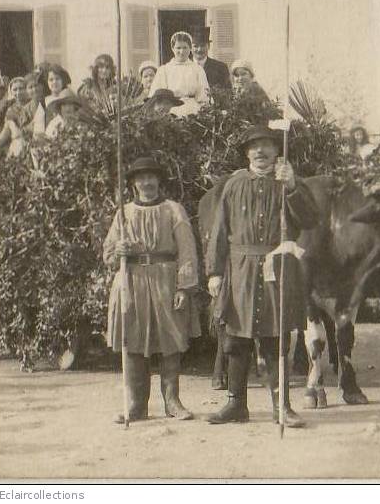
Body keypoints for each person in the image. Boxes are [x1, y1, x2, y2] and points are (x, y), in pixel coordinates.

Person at [205, 122, 319, 426]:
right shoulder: (233, 185)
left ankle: (282, 406)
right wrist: (214, 272)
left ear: (277, 151)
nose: (260, 151)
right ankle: (236, 404)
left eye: (266, 146)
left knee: (275, 338)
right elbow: (219, 230)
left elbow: (310, 220)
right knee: (236, 339)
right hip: (240, 269)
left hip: (276, 269)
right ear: (247, 154)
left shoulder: (288, 183)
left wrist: (292, 187)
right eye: (254, 147)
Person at [103, 156, 200, 423]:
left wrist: (184, 287)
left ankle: (172, 401)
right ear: (133, 184)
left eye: (151, 177)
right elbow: (108, 254)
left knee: (171, 339)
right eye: (140, 178)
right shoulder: (124, 213)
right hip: (131, 281)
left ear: (159, 180)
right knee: (132, 339)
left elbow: (187, 251)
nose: (146, 182)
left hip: (165, 280)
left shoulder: (173, 210)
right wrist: (118, 250)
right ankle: (136, 405)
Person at [149, 31, 210, 117]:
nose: (182, 51)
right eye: (178, 48)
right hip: (170, 110)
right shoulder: (164, 70)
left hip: (192, 110)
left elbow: (204, 96)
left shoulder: (197, 69)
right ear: (172, 48)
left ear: (190, 48)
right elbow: (156, 96)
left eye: (185, 48)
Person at [0, 76, 35, 157]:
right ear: (11, 92)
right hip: (16, 145)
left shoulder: (33, 105)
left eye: (21, 88)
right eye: (15, 89)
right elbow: (5, 132)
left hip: (32, 143)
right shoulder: (11, 110)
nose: (18, 92)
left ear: (27, 89)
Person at [32, 64, 73, 136]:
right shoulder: (43, 103)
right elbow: (38, 129)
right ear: (47, 82)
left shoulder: (70, 98)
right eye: (51, 80)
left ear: (63, 80)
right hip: (49, 138)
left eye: (57, 79)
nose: (54, 82)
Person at [190, 26, 231, 92]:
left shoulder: (221, 68)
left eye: (203, 45)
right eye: (195, 46)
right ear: (190, 48)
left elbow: (227, 93)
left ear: (208, 46)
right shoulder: (184, 66)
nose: (199, 49)